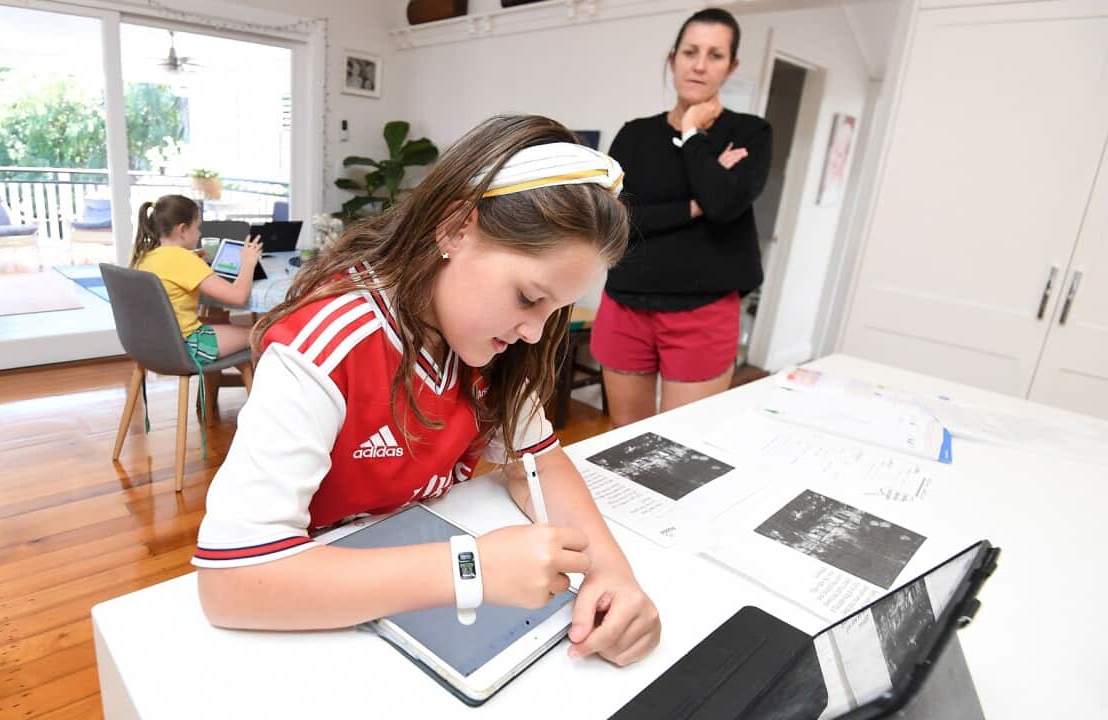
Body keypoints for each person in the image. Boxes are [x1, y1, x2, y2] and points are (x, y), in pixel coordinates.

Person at [193, 115, 662, 667]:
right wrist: (471, 569)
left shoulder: (494, 343)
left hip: (408, 590)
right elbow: (231, 582)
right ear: (456, 229)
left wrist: (611, 573)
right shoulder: (326, 346)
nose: (535, 332)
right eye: (528, 298)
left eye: (555, 309)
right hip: (311, 614)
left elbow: (537, 464)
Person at [593, 8, 772, 426]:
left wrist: (692, 135)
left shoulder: (751, 133)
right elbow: (612, 219)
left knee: (680, 442)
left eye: (715, 55)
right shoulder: (635, 135)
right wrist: (694, 205)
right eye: (691, 52)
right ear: (673, 59)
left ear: (731, 67)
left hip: (703, 312)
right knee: (624, 438)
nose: (699, 65)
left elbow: (724, 205)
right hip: (626, 303)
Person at [130, 194, 262, 363]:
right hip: (186, 346)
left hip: (152, 343)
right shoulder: (185, 260)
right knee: (260, 333)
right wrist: (248, 263)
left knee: (219, 320)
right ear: (182, 230)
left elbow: (171, 266)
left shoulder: (144, 256)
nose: (199, 233)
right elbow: (238, 297)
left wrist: (191, 259)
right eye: (197, 227)